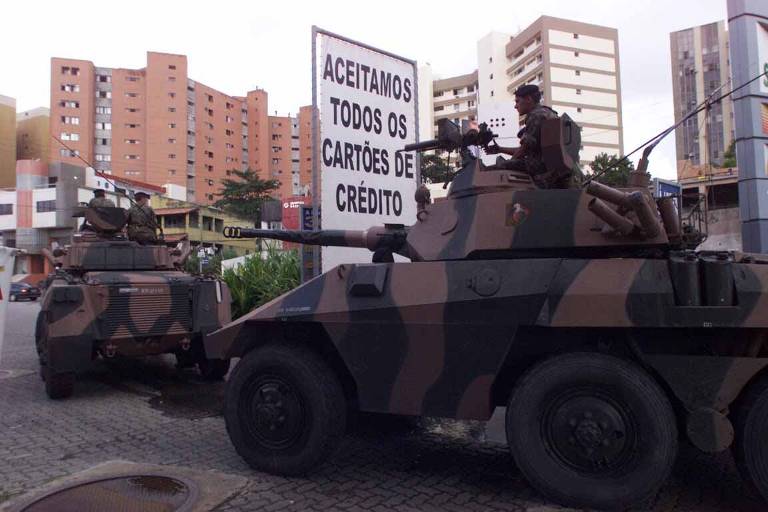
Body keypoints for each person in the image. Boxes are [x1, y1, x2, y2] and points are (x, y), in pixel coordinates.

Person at [485, 84, 574, 189]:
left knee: (498, 166)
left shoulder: (535, 115)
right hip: (550, 167)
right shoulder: (548, 113)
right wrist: (500, 149)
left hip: (540, 168)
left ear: (528, 99)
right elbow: (528, 150)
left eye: (517, 101)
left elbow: (523, 150)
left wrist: (508, 163)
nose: (515, 106)